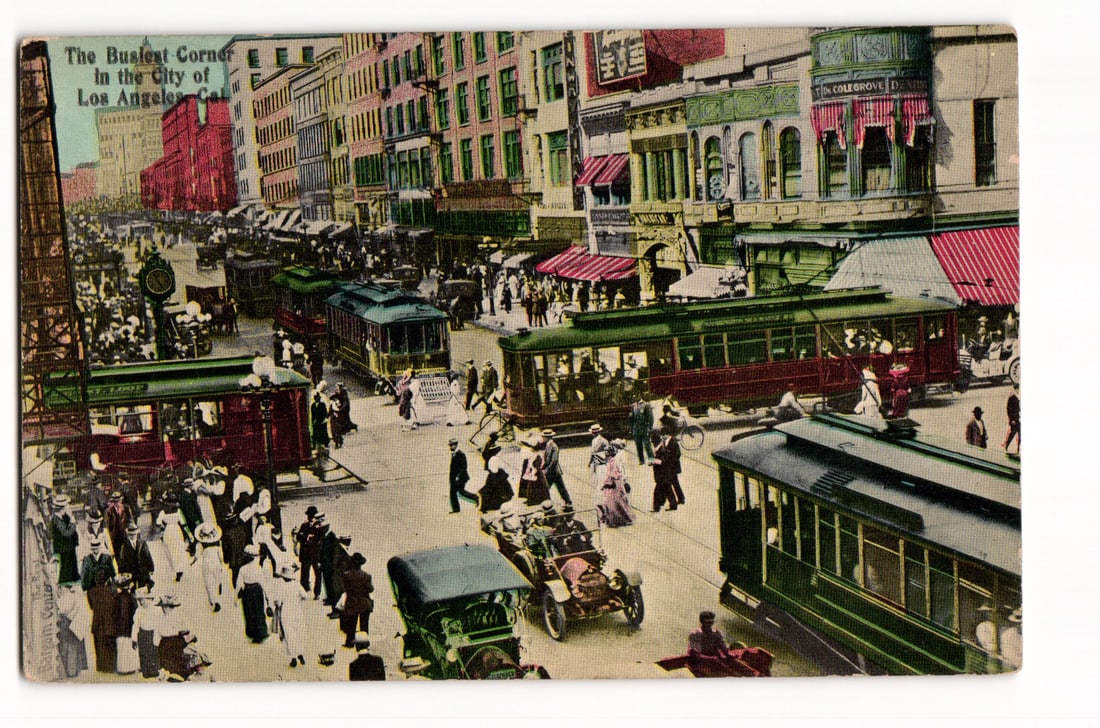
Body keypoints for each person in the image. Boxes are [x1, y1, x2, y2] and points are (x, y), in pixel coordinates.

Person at [338, 553, 374, 647]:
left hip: (352, 602)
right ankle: (364, 642)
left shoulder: (346, 575)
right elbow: (370, 589)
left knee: (351, 624)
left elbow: (344, 588)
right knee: (364, 624)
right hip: (364, 602)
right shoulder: (367, 576)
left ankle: (349, 642)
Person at [86, 567, 118, 673]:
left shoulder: (91, 592)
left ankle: (101, 667)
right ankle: (111, 668)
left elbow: (91, 606)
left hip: (97, 623)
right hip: (110, 623)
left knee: (99, 646)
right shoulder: (112, 591)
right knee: (110, 647)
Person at [235, 544, 269, 643]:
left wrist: (236, 598)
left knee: (249, 613)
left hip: (247, 592)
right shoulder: (259, 568)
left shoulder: (243, 569)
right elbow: (264, 583)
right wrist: (268, 597)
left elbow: (239, 584)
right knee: (259, 611)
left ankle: (252, 633)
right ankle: (261, 633)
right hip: (257, 591)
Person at [598, 439, 634, 527]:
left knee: (617, 503)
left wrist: (606, 483)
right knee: (614, 503)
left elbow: (614, 475)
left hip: (615, 484)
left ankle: (623, 519)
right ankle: (615, 520)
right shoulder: (611, 462)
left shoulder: (613, 462)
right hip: (614, 483)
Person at [155, 493, 190, 583]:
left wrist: (163, 525)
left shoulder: (163, 511)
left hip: (168, 531)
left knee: (170, 551)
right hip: (177, 530)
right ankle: (180, 569)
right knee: (178, 550)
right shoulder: (178, 510)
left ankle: (174, 568)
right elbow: (182, 522)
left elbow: (158, 523)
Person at [195, 523, 227, 613]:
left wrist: (192, 562)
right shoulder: (217, 544)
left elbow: (197, 555)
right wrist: (222, 564)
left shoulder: (201, 545)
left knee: (209, 583)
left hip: (206, 564)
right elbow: (220, 556)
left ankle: (214, 600)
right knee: (217, 578)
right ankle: (219, 587)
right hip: (216, 563)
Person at [50, 494, 80, 586]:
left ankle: (74, 577)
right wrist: (72, 523)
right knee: (66, 563)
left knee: (72, 560)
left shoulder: (65, 515)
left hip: (69, 544)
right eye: (66, 505)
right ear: (62, 507)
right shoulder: (56, 519)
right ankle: (66, 581)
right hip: (62, 546)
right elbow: (66, 533)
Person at [129, 586, 160, 679]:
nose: (141, 602)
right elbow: (136, 624)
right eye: (139, 600)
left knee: (153, 652)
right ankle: (145, 671)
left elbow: (158, 624)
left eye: (143, 600)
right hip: (142, 634)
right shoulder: (139, 610)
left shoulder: (155, 609)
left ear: (148, 599)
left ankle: (154, 670)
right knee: (143, 653)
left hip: (152, 633)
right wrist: (134, 638)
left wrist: (157, 637)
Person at [116, 521, 156, 591]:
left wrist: (151, 568)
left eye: (134, 534)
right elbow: (122, 560)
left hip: (142, 571)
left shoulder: (142, 543)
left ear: (137, 534)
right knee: (132, 589)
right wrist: (122, 572)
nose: (133, 536)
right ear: (128, 535)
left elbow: (148, 556)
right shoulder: (124, 546)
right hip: (131, 571)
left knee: (143, 588)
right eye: (130, 535)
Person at [295, 506, 323, 597]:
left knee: (318, 574)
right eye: (309, 516)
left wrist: (313, 539)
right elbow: (298, 537)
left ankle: (317, 593)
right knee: (304, 573)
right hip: (305, 554)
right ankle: (305, 590)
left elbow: (321, 539)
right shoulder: (304, 525)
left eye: (311, 516)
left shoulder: (320, 526)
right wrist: (306, 537)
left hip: (316, 554)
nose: (309, 517)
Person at [539, 429, 572, 506]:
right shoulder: (548, 445)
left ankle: (567, 501)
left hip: (554, 472)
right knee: (551, 488)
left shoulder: (554, 446)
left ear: (547, 437)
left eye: (543, 437)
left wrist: (546, 470)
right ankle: (567, 501)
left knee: (559, 488)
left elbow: (554, 461)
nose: (542, 438)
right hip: (551, 472)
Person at [654, 428, 685, 507]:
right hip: (668, 467)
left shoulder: (673, 442)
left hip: (673, 467)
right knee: (674, 483)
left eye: (663, 435)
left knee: (673, 483)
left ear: (668, 434)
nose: (662, 437)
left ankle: (679, 499)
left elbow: (677, 454)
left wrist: (669, 457)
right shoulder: (664, 442)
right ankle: (680, 498)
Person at [448, 438, 478, 513]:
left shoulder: (460, 454)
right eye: (450, 445)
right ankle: (456, 509)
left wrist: (458, 477)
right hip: (455, 478)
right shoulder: (454, 453)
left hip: (461, 477)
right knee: (454, 493)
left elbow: (464, 467)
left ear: (456, 445)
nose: (450, 447)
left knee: (460, 492)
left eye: (452, 445)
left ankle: (476, 498)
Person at [630, 396, 655, 464]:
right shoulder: (633, 406)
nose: (635, 398)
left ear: (640, 396)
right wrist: (631, 429)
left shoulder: (646, 405)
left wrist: (650, 427)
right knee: (638, 445)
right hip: (636, 429)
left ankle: (651, 460)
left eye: (636, 396)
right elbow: (632, 419)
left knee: (647, 445)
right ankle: (641, 460)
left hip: (644, 428)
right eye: (634, 397)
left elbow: (650, 417)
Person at [588, 423, 610, 490]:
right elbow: (592, 453)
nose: (593, 434)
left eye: (594, 433)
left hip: (602, 463)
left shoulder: (603, 441)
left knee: (602, 479)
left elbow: (607, 453)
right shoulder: (593, 440)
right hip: (595, 463)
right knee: (596, 479)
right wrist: (590, 462)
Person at [1004, 386, 1021, 452]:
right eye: (1018, 389)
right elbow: (1009, 410)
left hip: (1021, 419)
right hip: (1015, 420)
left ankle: (1018, 449)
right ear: (1015, 389)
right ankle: (1006, 446)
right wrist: (1012, 419)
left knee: (1021, 436)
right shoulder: (1011, 398)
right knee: (1013, 433)